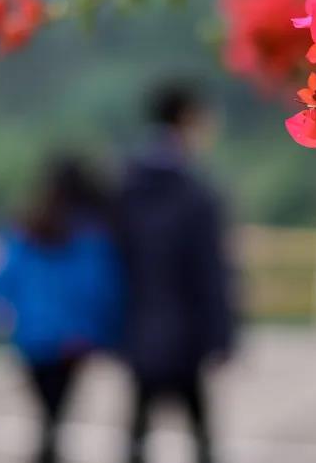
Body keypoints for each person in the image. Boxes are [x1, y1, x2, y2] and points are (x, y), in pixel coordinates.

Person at [0, 157, 122, 463]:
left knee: (48, 415)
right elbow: (101, 289)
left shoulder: (23, 228)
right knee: (54, 415)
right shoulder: (90, 236)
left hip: (30, 338)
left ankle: (48, 449)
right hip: (71, 341)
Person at [116, 82, 238, 463]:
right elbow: (211, 270)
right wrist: (222, 335)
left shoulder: (126, 183)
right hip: (187, 333)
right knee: (200, 434)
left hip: (136, 326)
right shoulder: (196, 192)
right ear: (186, 118)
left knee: (136, 432)